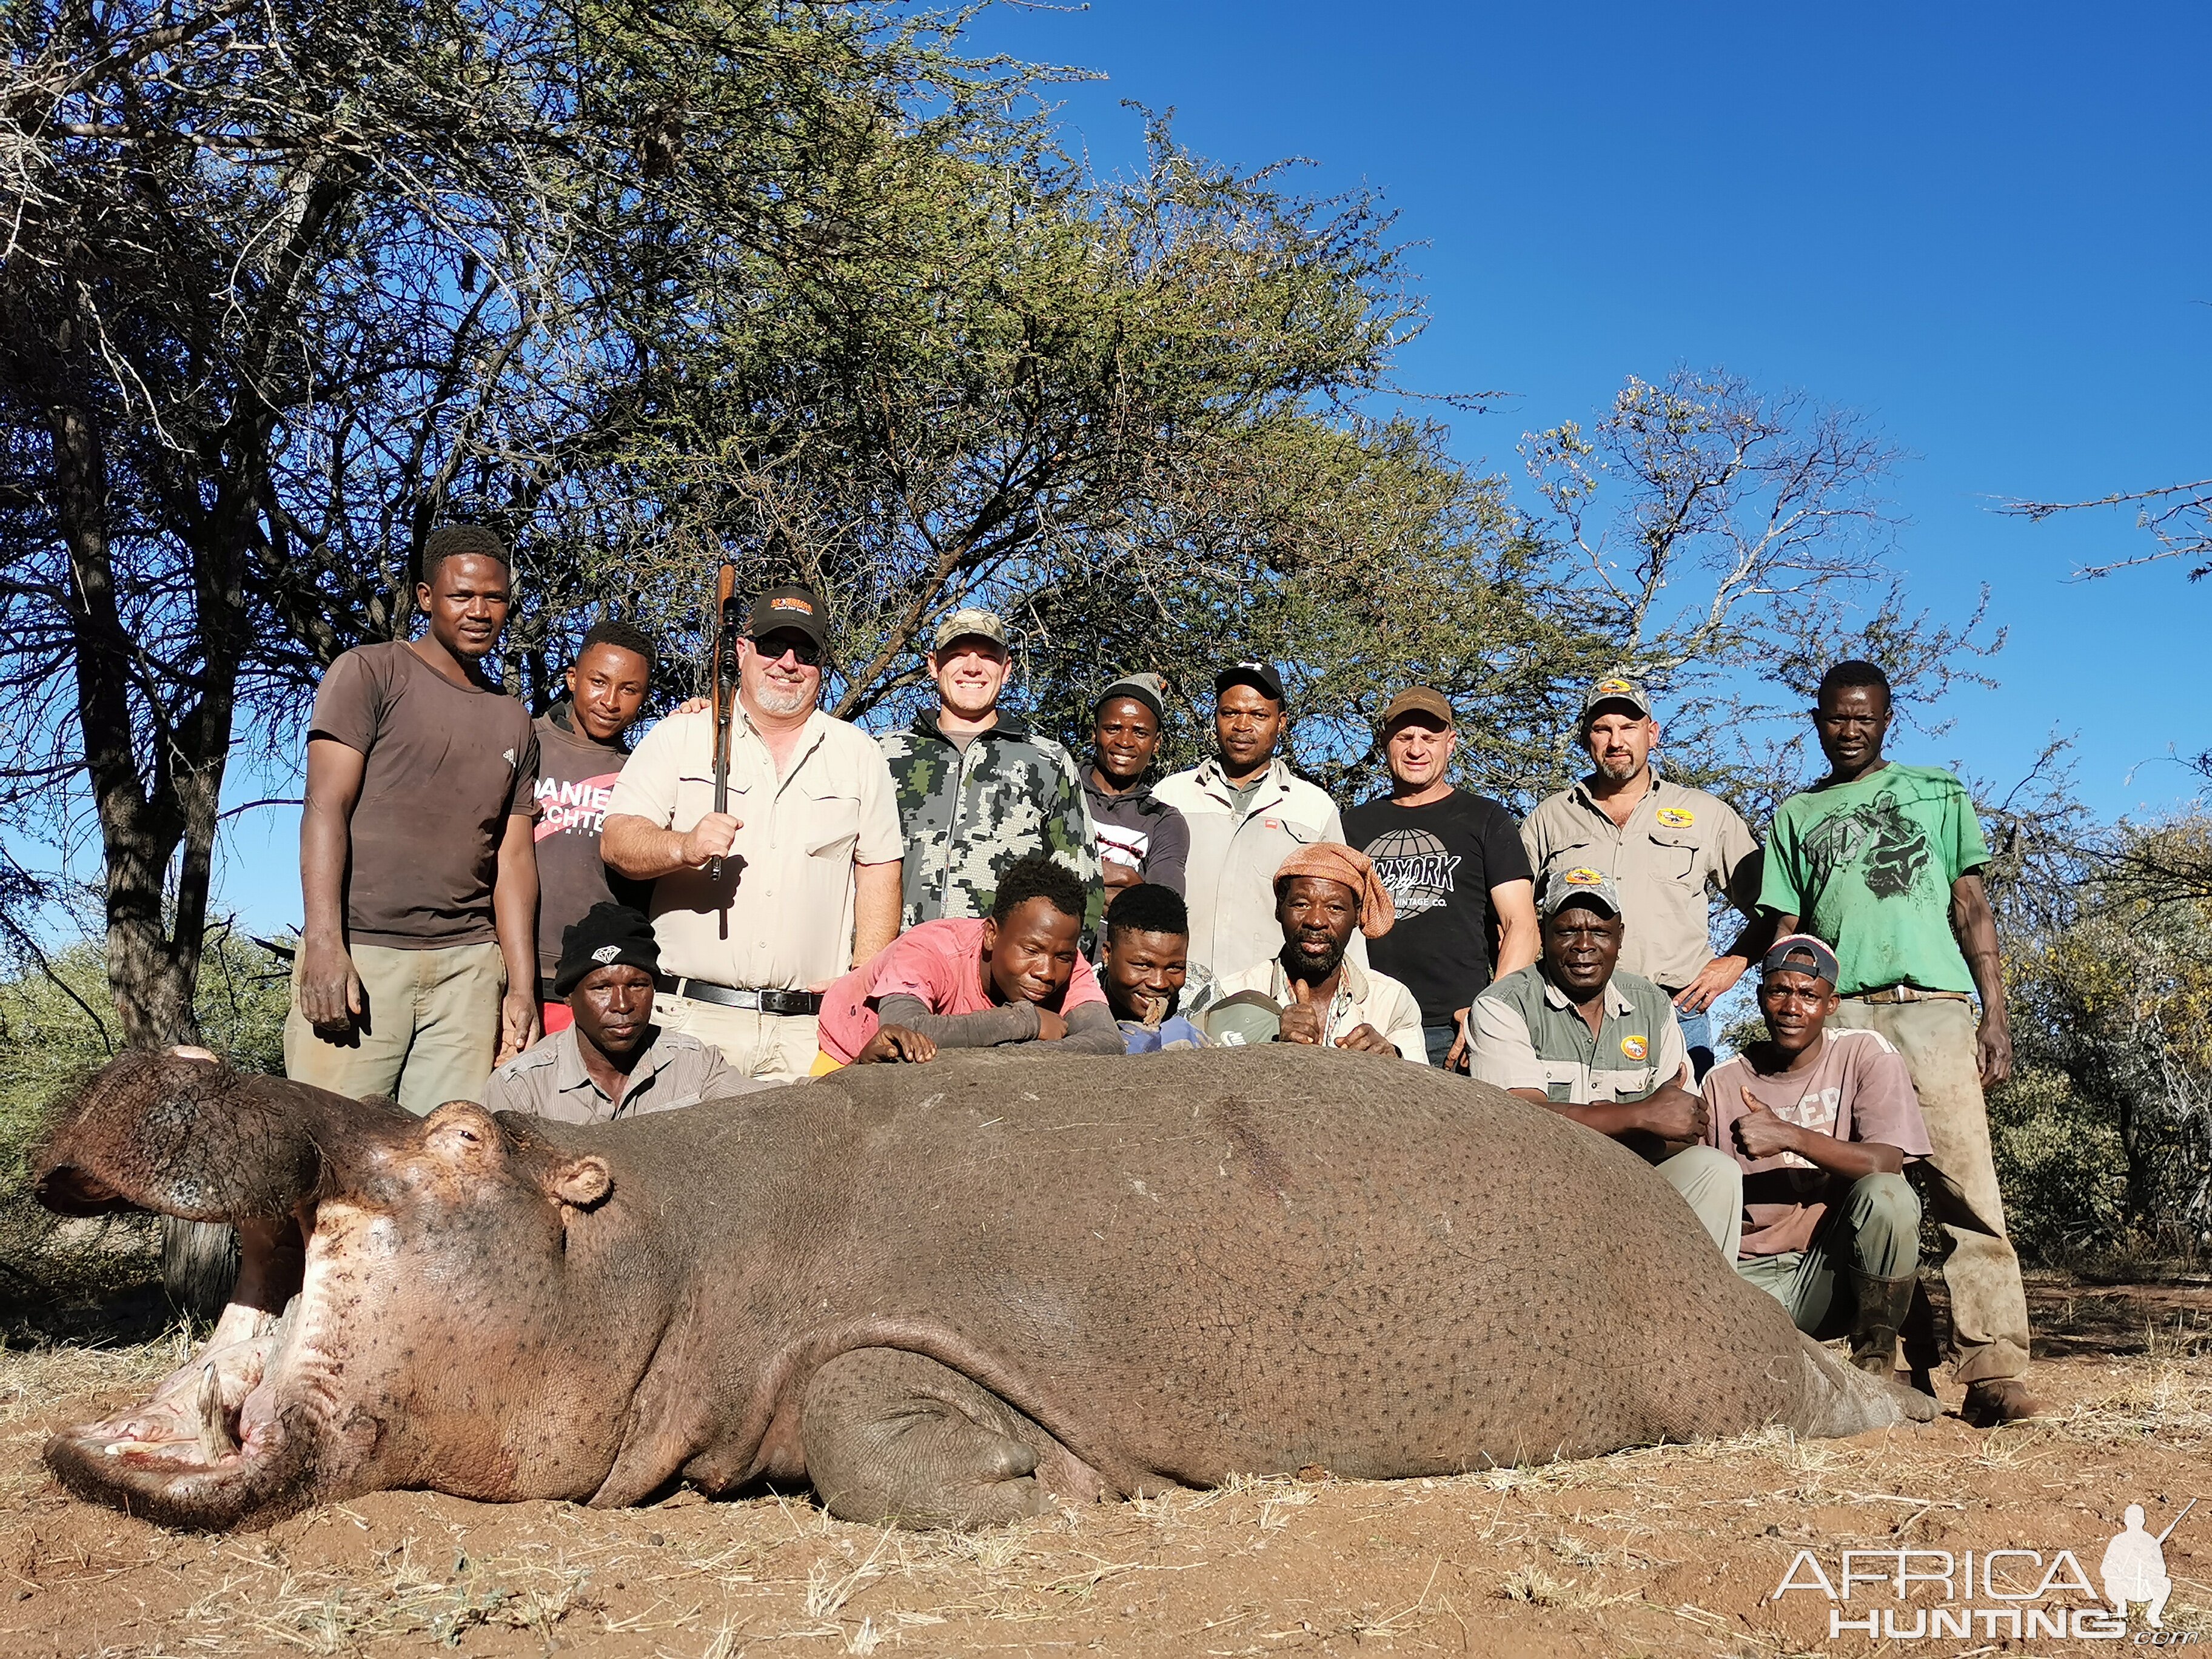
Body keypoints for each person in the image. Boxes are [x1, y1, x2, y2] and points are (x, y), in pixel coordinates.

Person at [1761, 658, 2039, 1427]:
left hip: (1935, 1008)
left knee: (1964, 1189)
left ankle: (1994, 1369)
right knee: (1854, 1191)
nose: (1849, 730)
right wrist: (1780, 1022)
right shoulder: (1795, 815)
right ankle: (1885, 1361)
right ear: (1816, 720)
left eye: (1864, 717)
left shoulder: (1937, 791)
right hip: (1841, 1015)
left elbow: (1971, 904)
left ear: (1888, 720)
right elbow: (1789, 929)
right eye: (1835, 716)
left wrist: (1996, 1013)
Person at [285, 524, 541, 1114]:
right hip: (363, 955)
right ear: (427, 598)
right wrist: (324, 943)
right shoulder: (369, 673)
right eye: (462, 596)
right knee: (331, 1153)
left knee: (445, 1172)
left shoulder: (513, 719)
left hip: (469, 973)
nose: (480, 612)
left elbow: (513, 857)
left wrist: (520, 988)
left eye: (494, 598)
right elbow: (326, 808)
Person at [601, 584, 903, 1082]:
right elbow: (617, 840)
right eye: (772, 646)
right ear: (742, 650)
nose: (788, 663)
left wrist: (862, 977)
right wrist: (682, 845)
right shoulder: (681, 736)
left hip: (810, 1031)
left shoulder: (860, 755)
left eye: (805, 652)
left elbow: (878, 871)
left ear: (820, 666)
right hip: (690, 1021)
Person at [1466, 868, 1741, 1256]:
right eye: (1566, 931)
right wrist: (1636, 1115)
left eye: (1599, 931)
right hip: (1540, 1183)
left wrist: (1654, 1121)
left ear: (1620, 937)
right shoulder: (1502, 1004)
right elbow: (1517, 1121)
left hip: (1639, 1174)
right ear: (1544, 934)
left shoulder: (1653, 1005)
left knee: (1716, 1170)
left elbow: (1686, 1124)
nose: (1583, 946)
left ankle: (1708, 1307)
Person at [1700, 934, 1932, 1379]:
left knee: (1889, 1196)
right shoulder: (1721, 1083)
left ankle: (1876, 1362)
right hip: (1751, 1279)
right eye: (1779, 991)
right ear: (1760, 997)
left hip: (1833, 1274)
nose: (1792, 1007)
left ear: (1831, 1004)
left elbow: (1887, 1162)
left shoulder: (1865, 1053)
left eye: (1809, 995)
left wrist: (1789, 1136)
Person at [1521, 676, 1769, 1078]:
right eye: (1602, 729)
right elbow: (1511, 918)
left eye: (1628, 727)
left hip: (1676, 1013)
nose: (1616, 741)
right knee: (1574, 1133)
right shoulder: (1549, 818)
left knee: (1685, 1132)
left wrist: (1734, 963)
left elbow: (1774, 906)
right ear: (1587, 739)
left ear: (1652, 734)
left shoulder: (1706, 814)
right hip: (1569, 1013)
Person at [1343, 686, 1538, 1070]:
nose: (1417, 749)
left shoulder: (1486, 819)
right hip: (1368, 1023)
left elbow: (1522, 925)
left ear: (1450, 744)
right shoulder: (1350, 825)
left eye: (1429, 738)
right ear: (1385, 742)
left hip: (1455, 1027)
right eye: (1404, 737)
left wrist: (1490, 1014)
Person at [878, 608, 1102, 937]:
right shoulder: (885, 755)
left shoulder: (1047, 761)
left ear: (1007, 668)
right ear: (934, 665)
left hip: (1001, 976)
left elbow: (1079, 882)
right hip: (896, 973)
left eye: (987, 656)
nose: (972, 667)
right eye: (957, 655)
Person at [814, 853, 1125, 1065]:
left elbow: (1107, 1042)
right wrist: (1023, 1021)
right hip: (847, 1050)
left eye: (1063, 956)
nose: (1047, 971)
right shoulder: (929, 949)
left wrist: (1014, 1053)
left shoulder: (1067, 961)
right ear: (991, 934)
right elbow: (904, 1030)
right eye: (1031, 951)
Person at [482, 902, 780, 1122]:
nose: (622, 1005)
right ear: (569, 997)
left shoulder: (694, 1064)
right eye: (601, 988)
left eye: (638, 985)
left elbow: (772, 1103)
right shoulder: (521, 1088)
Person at [1152, 660, 1350, 979]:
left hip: (1271, 1001)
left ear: (1281, 722)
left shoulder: (1314, 809)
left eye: (1259, 715)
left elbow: (1342, 914)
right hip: (1177, 992)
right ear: (1215, 718)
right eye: (1230, 713)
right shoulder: (1170, 795)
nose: (1243, 725)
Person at [529, 618, 655, 1035]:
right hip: (512, 969)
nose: (611, 701)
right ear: (572, 678)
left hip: (593, 981)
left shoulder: (642, 772)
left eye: (629, 689)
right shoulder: (528, 742)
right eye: (599, 682)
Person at [1206, 843, 1427, 1062]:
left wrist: (1393, 1059)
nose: (1316, 921)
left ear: (1357, 916)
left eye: (1335, 908)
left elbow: (1426, 1087)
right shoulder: (1234, 994)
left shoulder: (1391, 1001)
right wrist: (1268, 1038)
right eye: (1301, 904)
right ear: (1279, 909)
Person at [1084, 672, 1190, 908]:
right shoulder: (1061, 788)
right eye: (1113, 728)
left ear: (1157, 743)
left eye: (1140, 732)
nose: (1125, 742)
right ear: (1095, 733)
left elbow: (1162, 910)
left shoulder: (1164, 822)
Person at [1097, 879, 1210, 1051]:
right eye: (1143, 965)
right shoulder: (1079, 997)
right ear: (1107, 954)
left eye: (1175, 967)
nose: (1159, 983)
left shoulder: (1201, 992)